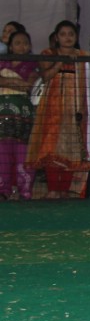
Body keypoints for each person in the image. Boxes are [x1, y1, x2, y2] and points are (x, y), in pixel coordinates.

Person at [27, 20, 90, 198]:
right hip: (53, 109)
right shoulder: (48, 53)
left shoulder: (84, 55)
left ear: (76, 37)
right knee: (51, 148)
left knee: (72, 147)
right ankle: (53, 189)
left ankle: (65, 190)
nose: (67, 37)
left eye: (71, 34)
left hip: (76, 108)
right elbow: (45, 76)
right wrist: (60, 62)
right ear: (56, 37)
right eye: (63, 34)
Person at [0, 29, 37, 199]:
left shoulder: (33, 64)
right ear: (10, 47)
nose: (22, 46)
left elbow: (28, 86)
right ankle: (3, 192)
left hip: (23, 118)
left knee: (23, 154)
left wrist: (6, 82)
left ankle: (25, 192)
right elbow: (21, 85)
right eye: (18, 43)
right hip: (1, 116)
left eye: (25, 43)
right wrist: (16, 82)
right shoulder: (2, 62)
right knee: (2, 156)